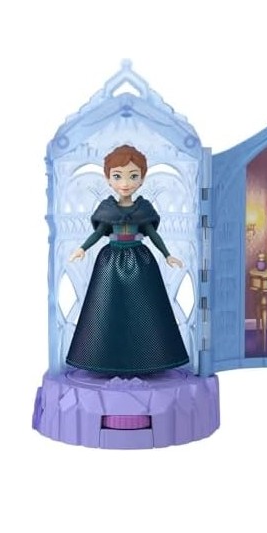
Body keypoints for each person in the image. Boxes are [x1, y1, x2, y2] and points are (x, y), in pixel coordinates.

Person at [66, 144, 190, 375]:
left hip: (140, 260)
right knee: (105, 306)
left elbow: (153, 235)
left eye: (133, 176)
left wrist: (167, 255)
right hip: (110, 261)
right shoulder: (107, 209)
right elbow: (99, 233)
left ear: (142, 179)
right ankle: (102, 357)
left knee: (145, 307)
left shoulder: (143, 209)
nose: (125, 183)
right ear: (108, 179)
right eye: (117, 176)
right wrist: (82, 248)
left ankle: (150, 357)